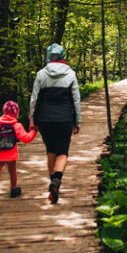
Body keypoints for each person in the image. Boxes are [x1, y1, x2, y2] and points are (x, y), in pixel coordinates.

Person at [29, 43, 81, 204]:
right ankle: (56, 181)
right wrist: (77, 121)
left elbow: (34, 100)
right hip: (64, 119)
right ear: (62, 56)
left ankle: (53, 182)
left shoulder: (41, 74)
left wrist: (32, 119)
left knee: (50, 150)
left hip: (44, 120)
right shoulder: (70, 74)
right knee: (63, 151)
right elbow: (76, 100)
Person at [0, 101, 37, 207]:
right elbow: (26, 139)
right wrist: (33, 131)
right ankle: (13, 189)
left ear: (3, 112)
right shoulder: (17, 126)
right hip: (11, 155)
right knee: (12, 172)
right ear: (16, 113)